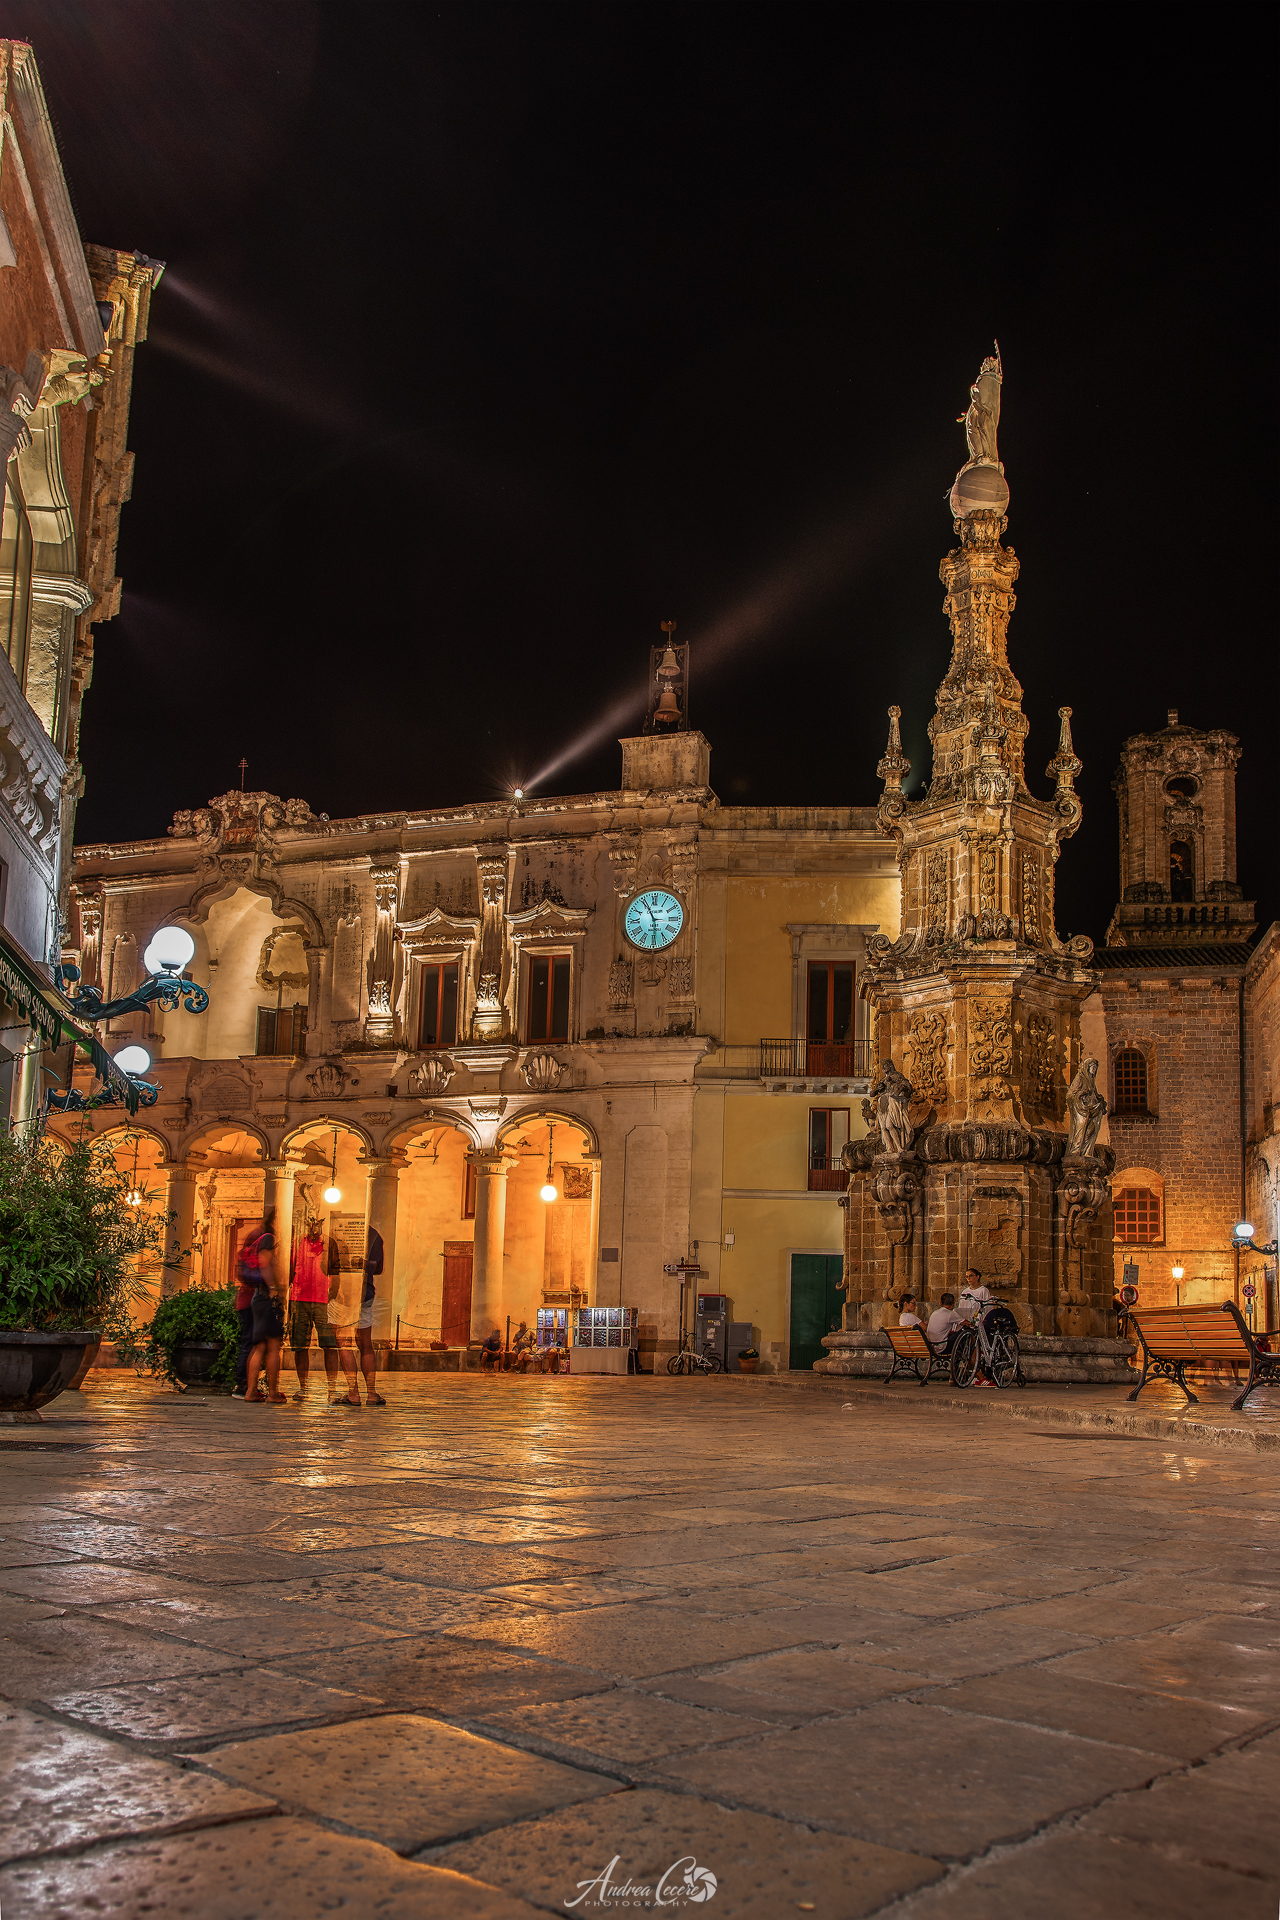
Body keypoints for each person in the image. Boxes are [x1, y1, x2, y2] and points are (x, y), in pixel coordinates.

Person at [289, 1217, 342, 1404]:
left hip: (322, 1301)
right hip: (299, 1298)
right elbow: (289, 1269)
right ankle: (303, 1387)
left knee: (329, 1344)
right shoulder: (296, 1243)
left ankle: (332, 1389)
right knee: (300, 1346)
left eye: (316, 1223)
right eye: (309, 1223)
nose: (313, 1228)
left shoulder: (330, 1244)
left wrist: (332, 1298)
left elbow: (335, 1273)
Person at [336, 1223, 385, 1408]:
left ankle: (353, 1392)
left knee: (343, 1342)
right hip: (365, 1292)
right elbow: (379, 1268)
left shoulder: (341, 1231)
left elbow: (329, 1265)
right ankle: (371, 1393)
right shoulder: (375, 1234)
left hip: (343, 1293)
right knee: (366, 1344)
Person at [241, 1215, 287, 1404]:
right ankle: (273, 1392)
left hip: (258, 1297)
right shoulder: (268, 1238)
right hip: (267, 1296)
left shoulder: (260, 1238)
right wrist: (275, 1290)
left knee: (259, 1346)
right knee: (274, 1347)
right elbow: (264, 1262)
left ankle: (251, 1391)